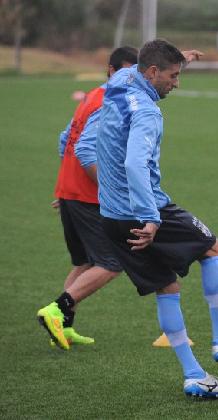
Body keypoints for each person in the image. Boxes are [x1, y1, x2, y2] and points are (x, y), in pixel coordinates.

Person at [97, 39, 218, 398]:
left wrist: (179, 57)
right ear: (152, 73)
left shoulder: (120, 82)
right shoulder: (147, 112)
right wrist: (150, 218)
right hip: (143, 209)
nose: (177, 82)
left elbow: (138, 67)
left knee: (166, 287)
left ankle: (194, 376)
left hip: (110, 216)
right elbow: (134, 163)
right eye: (173, 75)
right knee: (214, 249)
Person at [37, 46, 138, 349]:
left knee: (83, 262)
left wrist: (65, 184)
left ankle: (63, 328)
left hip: (70, 191)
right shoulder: (110, 100)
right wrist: (109, 188)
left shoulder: (92, 96)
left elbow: (64, 138)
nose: (129, 79)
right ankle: (56, 309)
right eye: (125, 73)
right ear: (111, 71)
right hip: (86, 195)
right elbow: (82, 149)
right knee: (111, 262)